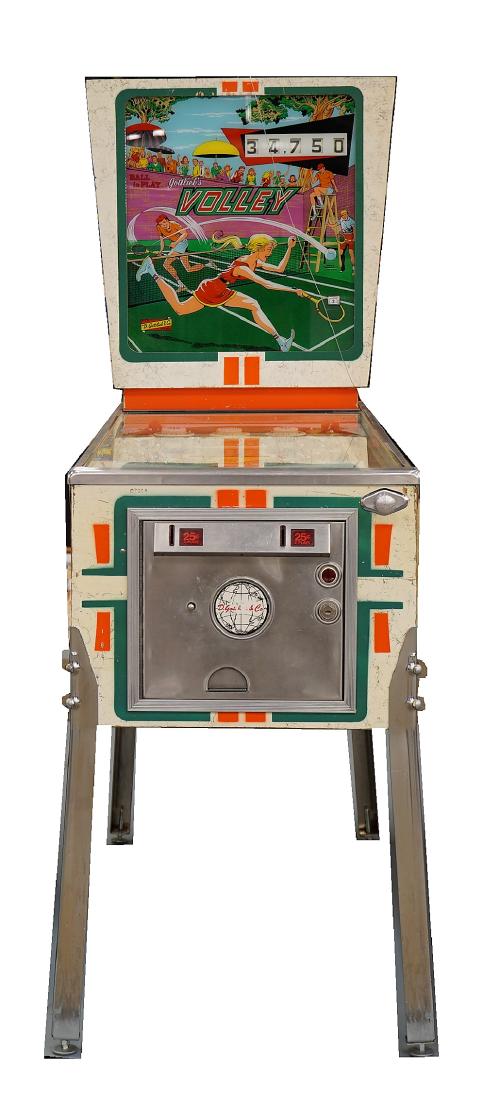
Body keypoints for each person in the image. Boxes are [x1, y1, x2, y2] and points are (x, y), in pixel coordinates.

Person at [136, 232, 303, 352]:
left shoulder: (255, 262)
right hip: (211, 289)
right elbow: (266, 284)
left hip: (222, 290)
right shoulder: (243, 267)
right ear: (258, 249)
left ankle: (281, 342)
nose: (270, 253)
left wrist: (289, 248)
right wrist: (293, 290)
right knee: (179, 309)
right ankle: (152, 271)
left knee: (253, 305)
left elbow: (280, 269)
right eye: (268, 250)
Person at [154, 214, 203, 288]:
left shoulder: (174, 224)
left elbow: (185, 234)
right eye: (161, 224)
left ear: (167, 220)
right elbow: (162, 240)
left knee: (166, 264)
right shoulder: (159, 227)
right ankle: (208, 264)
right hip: (176, 245)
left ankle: (180, 283)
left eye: (164, 222)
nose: (163, 225)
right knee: (189, 269)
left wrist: (175, 243)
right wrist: (160, 251)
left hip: (182, 243)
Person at [338, 208, 356, 275]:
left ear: (347, 214)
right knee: (341, 253)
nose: (343, 215)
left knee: (351, 253)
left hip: (350, 237)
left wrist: (354, 237)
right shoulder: (340, 220)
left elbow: (354, 229)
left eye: (344, 214)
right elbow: (338, 227)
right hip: (343, 238)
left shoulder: (351, 221)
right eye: (342, 214)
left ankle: (354, 269)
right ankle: (342, 267)